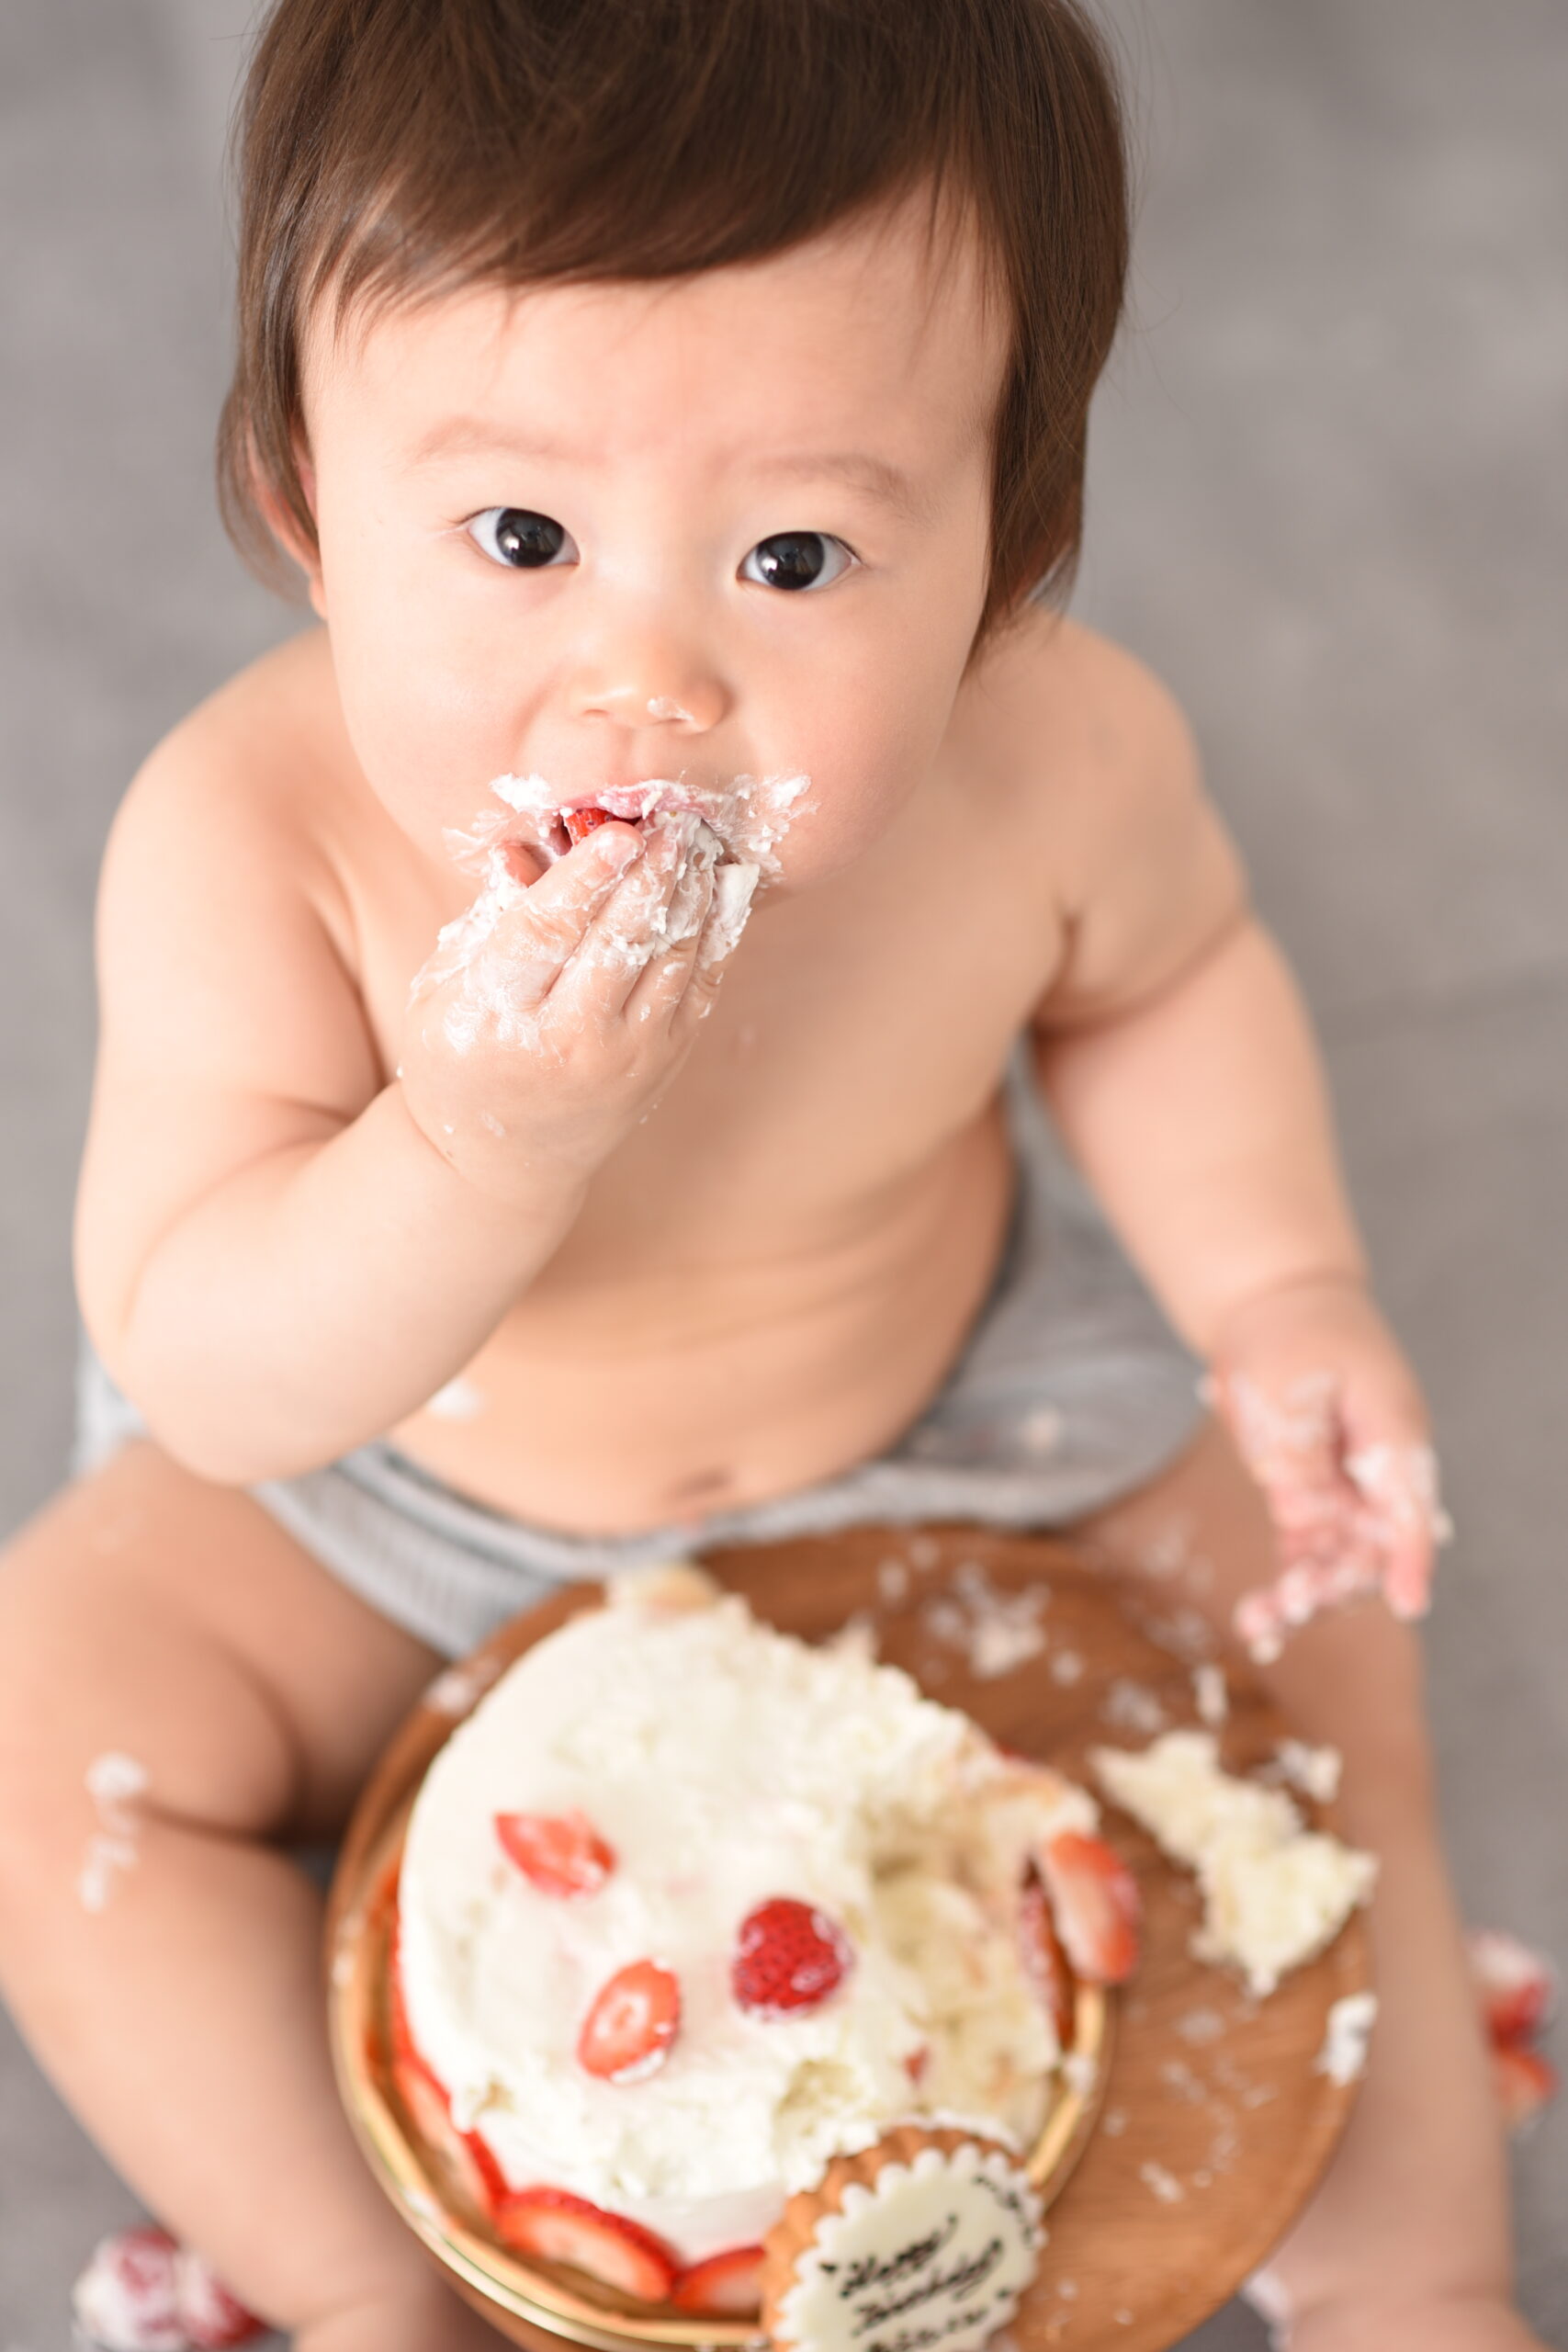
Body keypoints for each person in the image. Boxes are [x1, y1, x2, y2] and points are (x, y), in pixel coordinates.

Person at [0, 2, 1540, 2347]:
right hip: (408, 1495)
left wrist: (1279, 1293)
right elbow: (215, 1367)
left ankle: (1407, 2275)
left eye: (799, 554)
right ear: (309, 500)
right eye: (518, 533)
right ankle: (360, 2287)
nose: (646, 676)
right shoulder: (257, 844)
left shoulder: (1048, 760)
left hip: (965, 1432)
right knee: (49, 1733)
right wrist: (472, 1138)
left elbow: (1165, 980)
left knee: (1314, 1634)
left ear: (1002, 560)